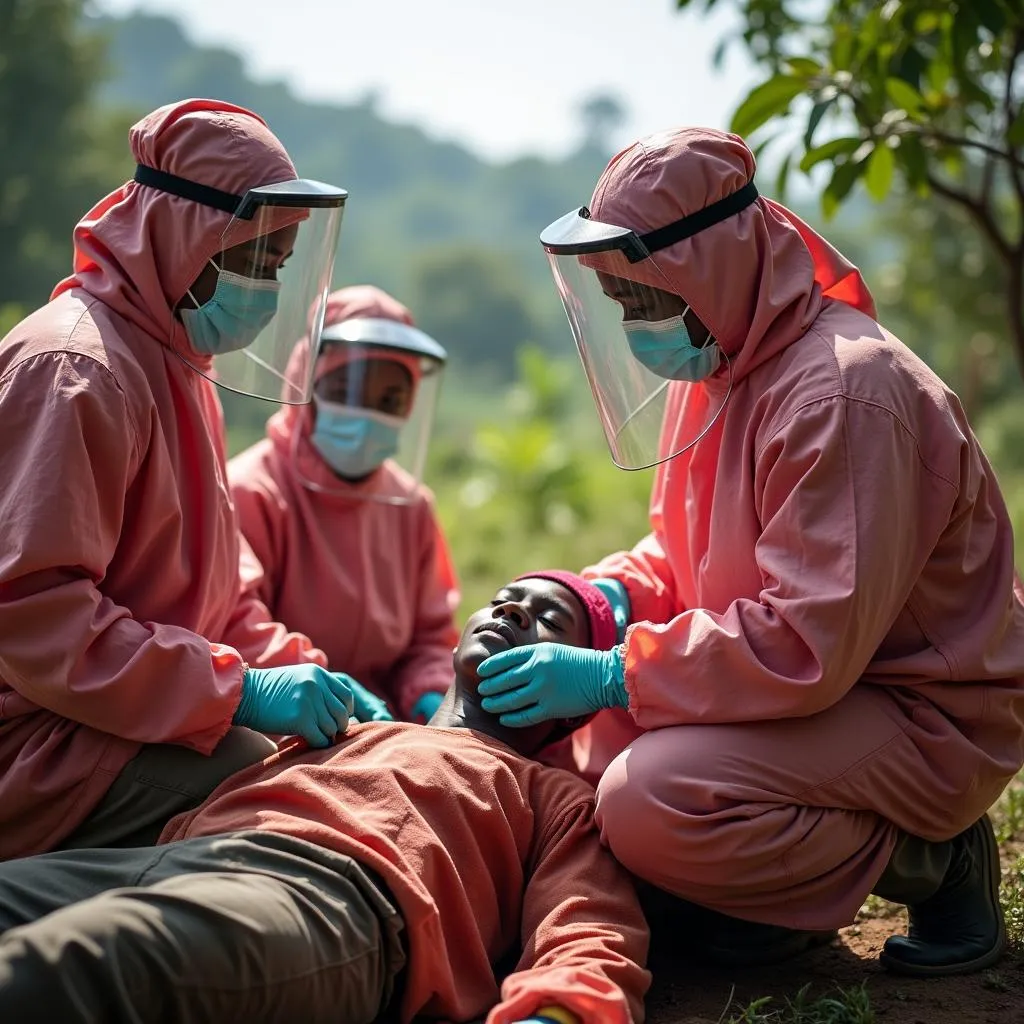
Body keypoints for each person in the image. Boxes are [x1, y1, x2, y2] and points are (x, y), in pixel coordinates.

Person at [474, 126, 1024, 978]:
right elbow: (686, 552)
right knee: (596, 746)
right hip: (810, 689)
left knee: (650, 797)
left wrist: (612, 671)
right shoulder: (722, 363)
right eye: (619, 302)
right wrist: (599, 602)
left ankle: (935, 855)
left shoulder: (845, 391)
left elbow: (807, 642)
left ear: (712, 265)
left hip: (916, 708)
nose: (631, 325)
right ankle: (747, 901)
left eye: (642, 298)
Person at [0, 98, 391, 862]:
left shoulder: (177, 360)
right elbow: (34, 618)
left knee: (343, 764)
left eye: (279, 265)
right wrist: (239, 693)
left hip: (131, 716)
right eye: (255, 260)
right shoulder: (77, 369)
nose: (268, 289)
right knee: (282, 793)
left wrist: (301, 673)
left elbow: (219, 599)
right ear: (184, 233)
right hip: (44, 747)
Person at [0, 572, 650, 1024]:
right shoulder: (340, 726)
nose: (512, 611)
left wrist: (557, 1013)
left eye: (549, 620)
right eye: (505, 598)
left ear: (572, 703)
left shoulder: (554, 798)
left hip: (331, 900)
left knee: (71, 966)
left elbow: (591, 929)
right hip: (189, 853)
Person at [229, 285, 460, 724]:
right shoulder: (251, 492)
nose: (366, 412)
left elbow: (430, 639)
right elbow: (236, 627)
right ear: (307, 383)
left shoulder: (410, 506)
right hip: (280, 724)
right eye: (345, 390)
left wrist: (429, 698)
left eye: (389, 400)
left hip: (387, 724)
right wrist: (319, 685)